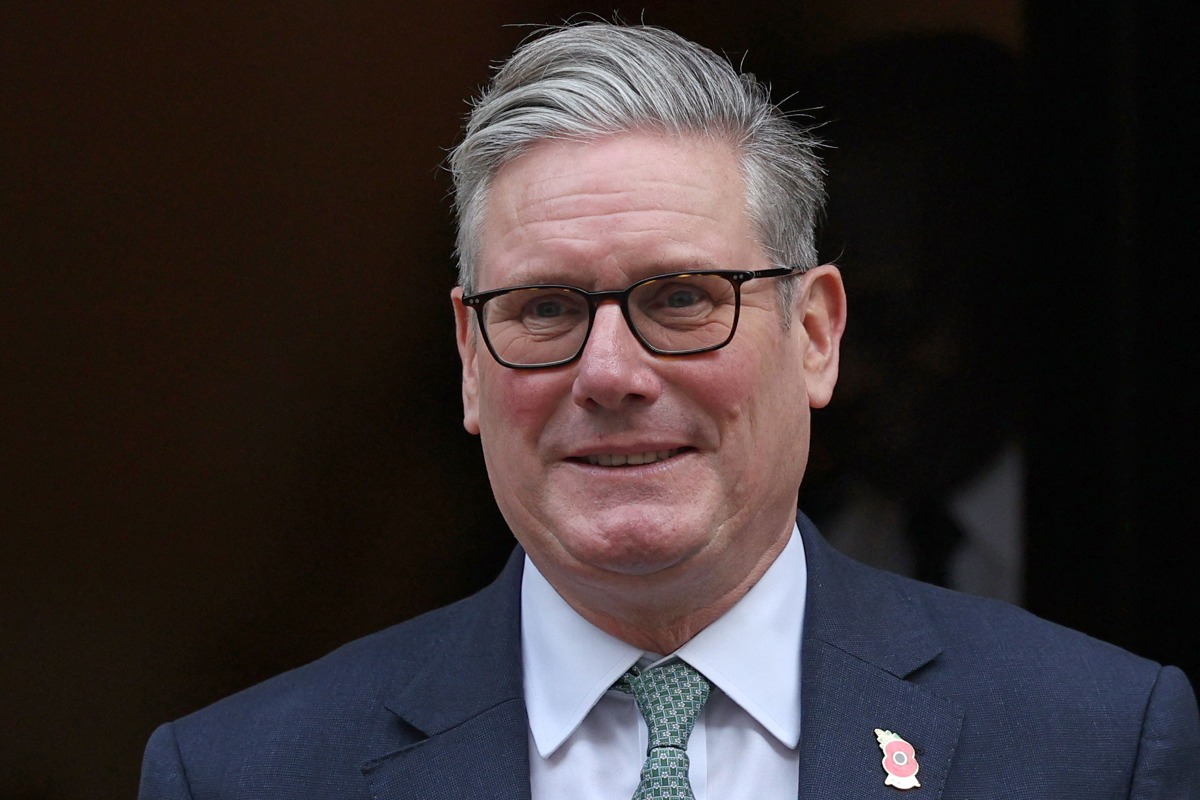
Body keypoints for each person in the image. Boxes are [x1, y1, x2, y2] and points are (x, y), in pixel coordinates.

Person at [139, 22, 1200, 799]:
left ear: (817, 334)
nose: (610, 371)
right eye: (546, 307)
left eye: (683, 298)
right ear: (469, 359)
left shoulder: (1094, 744)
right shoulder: (240, 773)